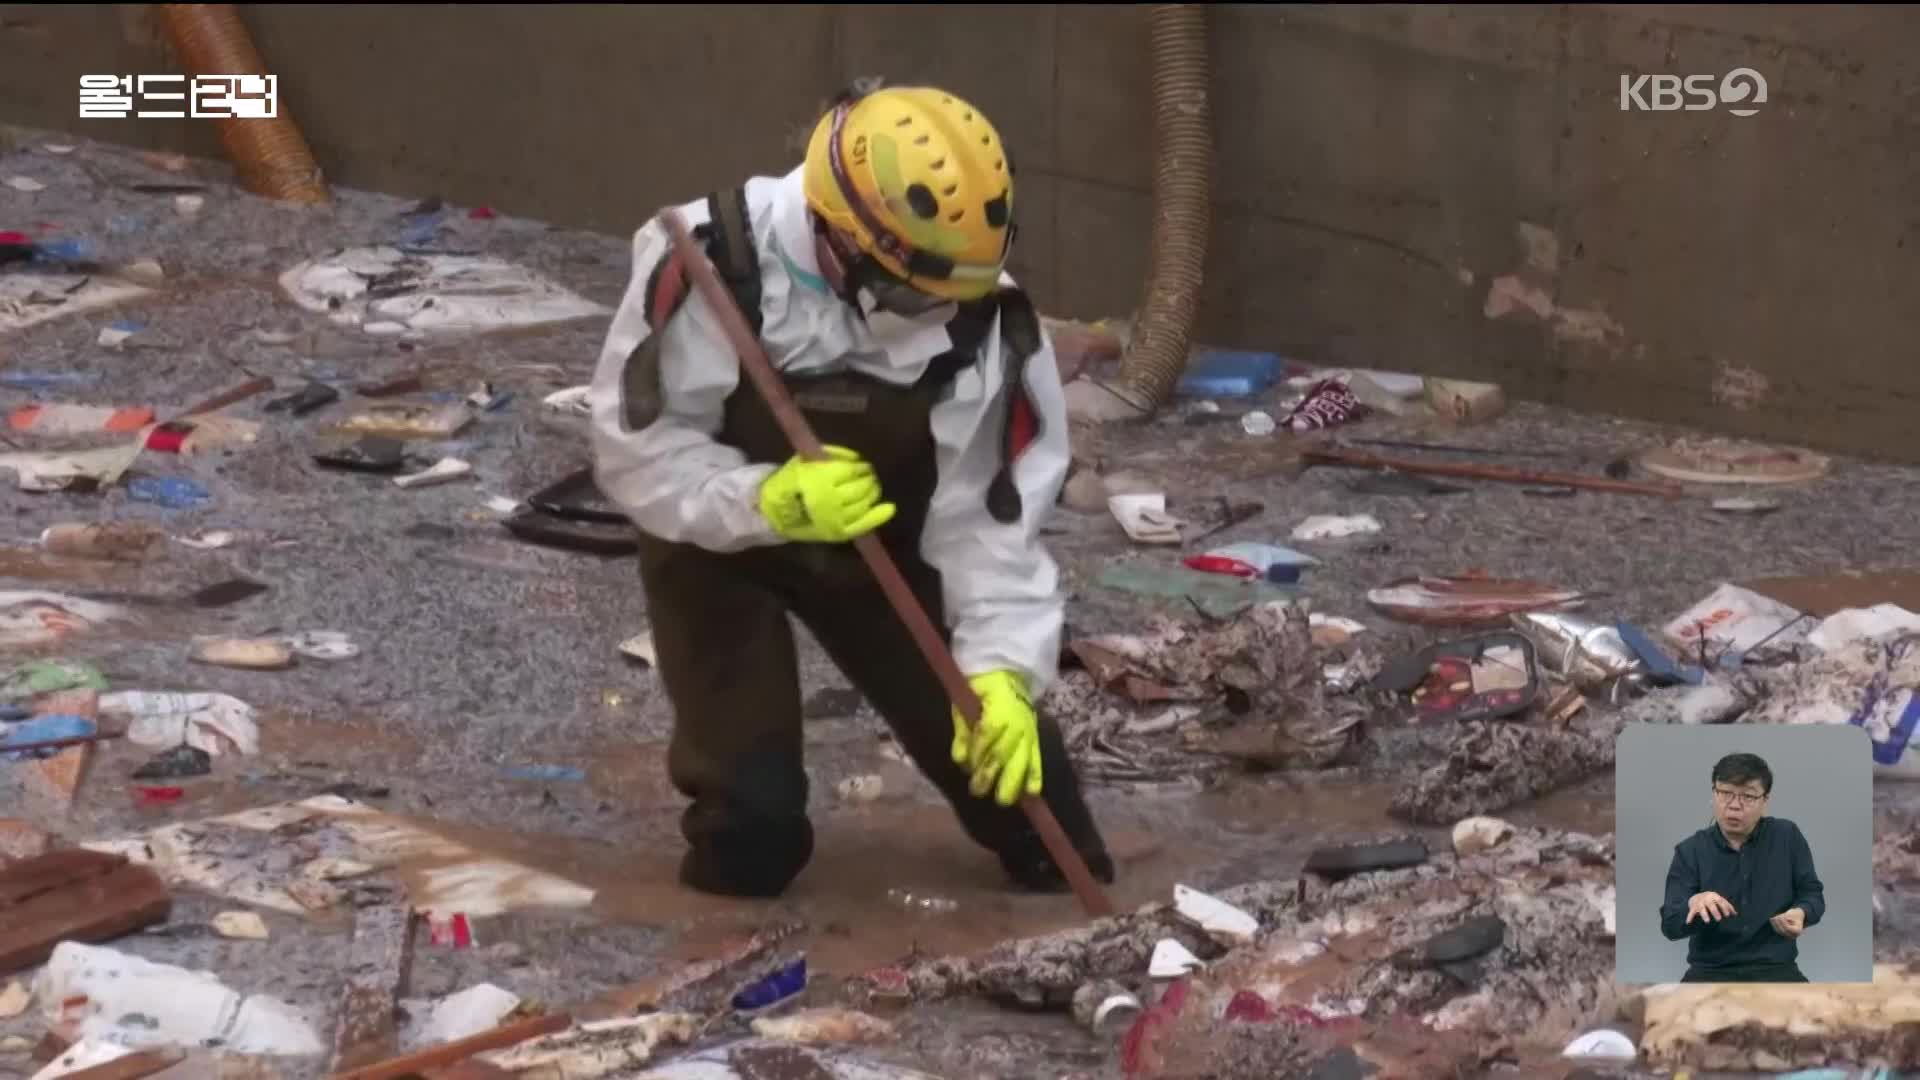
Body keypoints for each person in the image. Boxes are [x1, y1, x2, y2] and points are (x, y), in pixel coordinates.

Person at [584, 81, 1117, 899]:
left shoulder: (983, 319)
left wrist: (1003, 674)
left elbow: (989, 519)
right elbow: (636, 450)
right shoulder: (709, 257)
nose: (932, 318)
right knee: (750, 842)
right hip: (720, 546)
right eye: (912, 297)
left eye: (952, 298)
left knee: (1048, 831)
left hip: (886, 549)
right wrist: (767, 501)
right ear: (837, 240)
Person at [1658, 752, 1825, 982]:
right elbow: (1670, 925)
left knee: (1820, 1016)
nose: (1734, 806)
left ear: (1765, 801)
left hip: (1777, 970)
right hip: (1710, 973)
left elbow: (1812, 894)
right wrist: (1693, 904)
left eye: (1748, 796)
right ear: (1713, 794)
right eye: (1725, 793)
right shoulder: (1690, 851)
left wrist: (1802, 912)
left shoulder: (1787, 837)